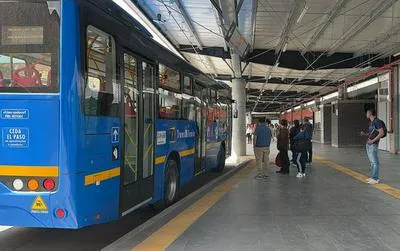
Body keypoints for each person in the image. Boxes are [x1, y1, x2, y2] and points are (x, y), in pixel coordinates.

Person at [360, 108, 385, 184]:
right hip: (369, 144)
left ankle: (375, 178)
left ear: (370, 113)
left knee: (374, 161)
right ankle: (373, 177)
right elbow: (371, 133)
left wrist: (372, 141)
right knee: (372, 162)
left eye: (367, 113)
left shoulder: (377, 122)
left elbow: (381, 133)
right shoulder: (371, 122)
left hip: (373, 144)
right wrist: (365, 134)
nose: (366, 114)